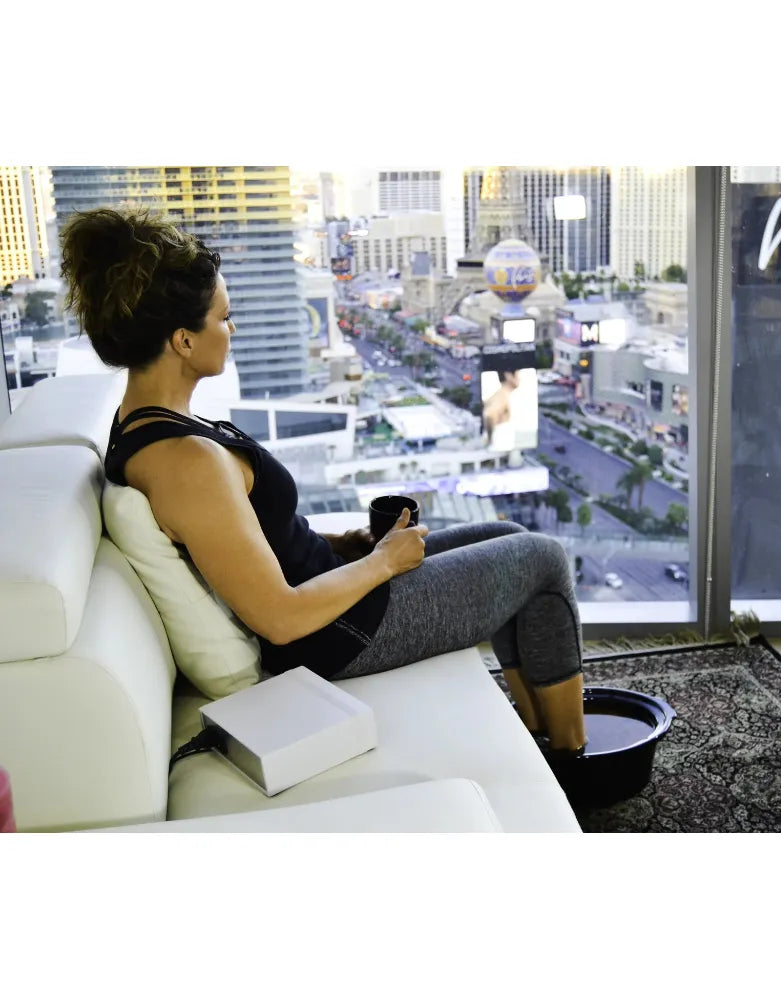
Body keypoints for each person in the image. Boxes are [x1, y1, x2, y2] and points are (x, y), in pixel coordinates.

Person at [59, 207, 586, 756]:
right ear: (182, 341)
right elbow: (279, 617)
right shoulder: (185, 462)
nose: (231, 329)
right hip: (339, 635)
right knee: (543, 559)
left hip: (335, 596)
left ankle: (538, 728)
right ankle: (575, 757)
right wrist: (382, 563)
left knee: (502, 533)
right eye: (222, 318)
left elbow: (260, 541)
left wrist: (356, 546)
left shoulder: (149, 424)